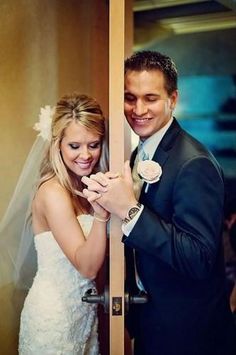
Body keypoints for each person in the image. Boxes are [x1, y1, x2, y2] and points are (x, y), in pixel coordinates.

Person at [82, 51, 236, 355]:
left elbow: (199, 258)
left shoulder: (194, 162)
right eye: (130, 97)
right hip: (152, 319)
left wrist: (129, 210)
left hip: (190, 333)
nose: (138, 109)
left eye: (150, 98)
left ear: (173, 99)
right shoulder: (142, 151)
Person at [1, 93, 110, 354]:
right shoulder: (53, 192)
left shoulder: (81, 186)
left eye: (93, 145)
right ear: (57, 144)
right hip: (54, 318)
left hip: (84, 314)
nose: (86, 155)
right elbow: (86, 266)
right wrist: (102, 214)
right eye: (75, 146)